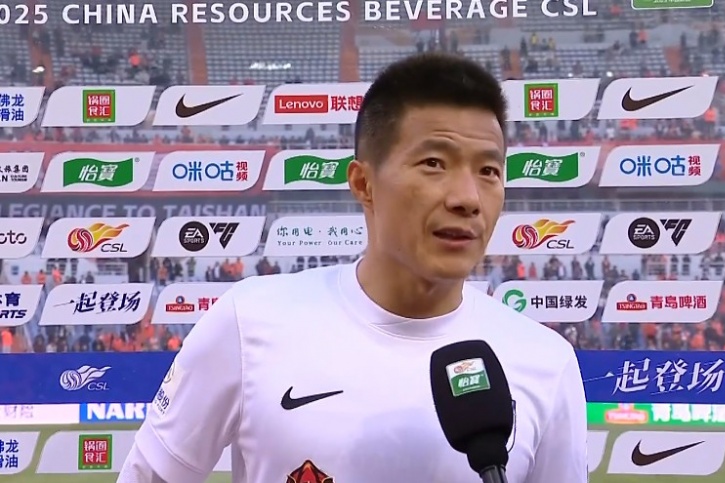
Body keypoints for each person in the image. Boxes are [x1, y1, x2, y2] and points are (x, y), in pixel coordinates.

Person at [117, 52, 587, 483]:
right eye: (433, 163)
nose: (467, 198)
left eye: (489, 171)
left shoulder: (547, 362)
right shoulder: (249, 322)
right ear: (364, 184)